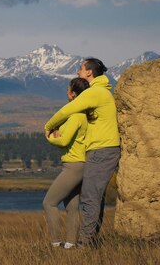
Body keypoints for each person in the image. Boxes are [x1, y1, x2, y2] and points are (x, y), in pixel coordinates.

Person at [44, 58, 121, 247]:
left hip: (102, 149)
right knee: (90, 197)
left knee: (89, 197)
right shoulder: (101, 93)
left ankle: (85, 243)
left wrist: (48, 127)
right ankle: (84, 241)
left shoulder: (95, 92)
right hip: (98, 149)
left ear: (89, 73)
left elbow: (66, 111)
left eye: (81, 68)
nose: (78, 71)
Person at [43, 77, 89, 249]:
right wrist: (58, 133)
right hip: (78, 164)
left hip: (73, 165)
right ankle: (70, 245)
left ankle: (55, 244)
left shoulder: (76, 116)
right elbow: (64, 136)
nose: (66, 92)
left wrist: (49, 137)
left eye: (68, 90)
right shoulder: (80, 115)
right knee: (71, 206)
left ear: (73, 95)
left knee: (49, 203)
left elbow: (63, 141)